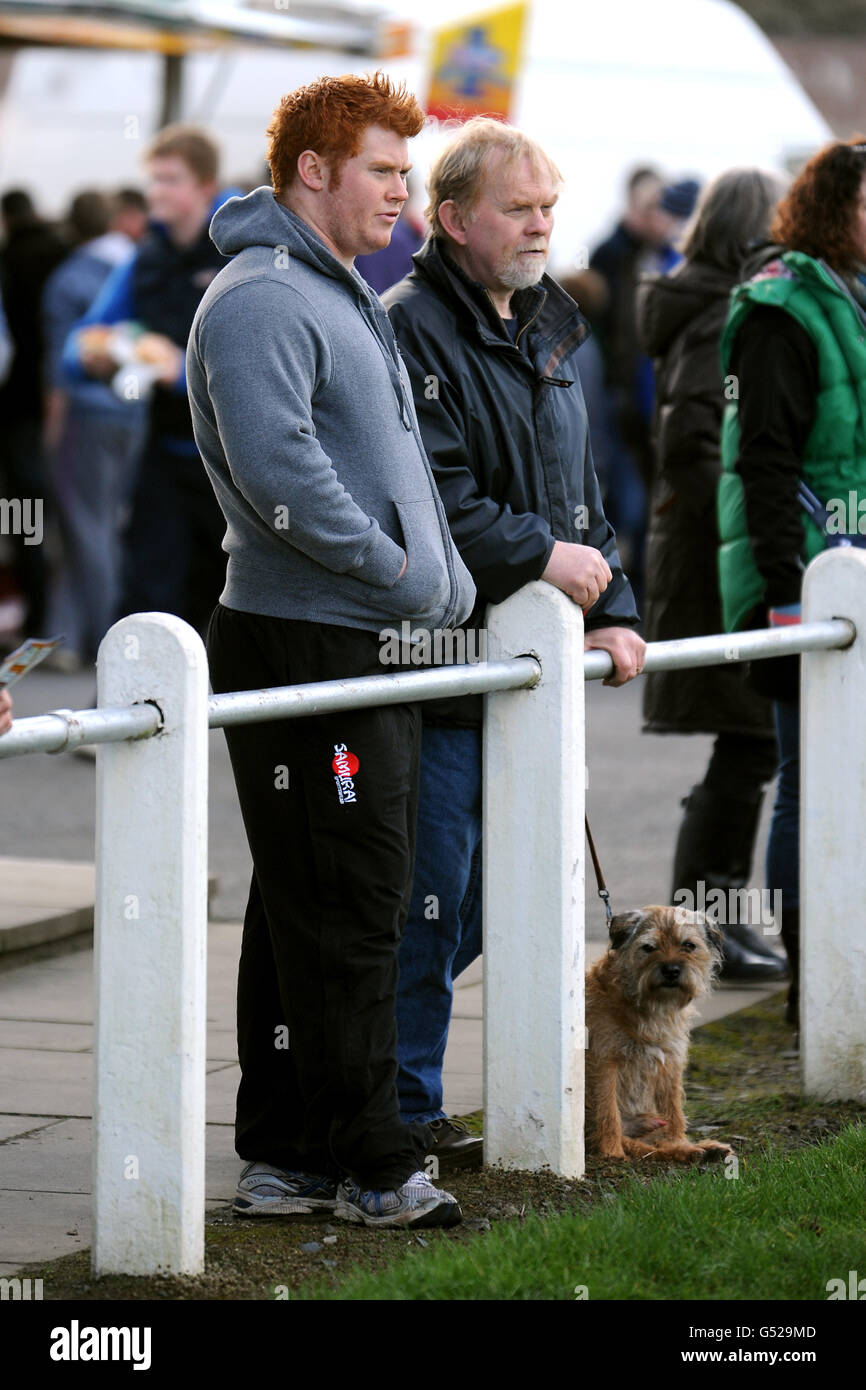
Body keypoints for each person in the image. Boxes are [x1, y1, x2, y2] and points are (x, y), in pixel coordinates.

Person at [187, 73, 476, 1228]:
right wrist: (407, 574)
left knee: (310, 897)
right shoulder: (262, 297)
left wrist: (428, 578)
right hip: (310, 640)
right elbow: (281, 474)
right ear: (314, 170)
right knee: (352, 898)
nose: (402, 194)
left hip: (352, 637)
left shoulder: (335, 289)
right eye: (384, 170)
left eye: (407, 173)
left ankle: (291, 1154)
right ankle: (367, 1162)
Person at [384, 117, 645, 1164]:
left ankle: (374, 1071)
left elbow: (579, 495)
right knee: (431, 903)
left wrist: (615, 599)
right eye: (517, 207)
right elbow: (432, 499)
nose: (541, 223)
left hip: (538, 673)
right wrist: (544, 558)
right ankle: (400, 1108)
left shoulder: (553, 322)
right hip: (439, 666)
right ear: (452, 220)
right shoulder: (406, 329)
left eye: (548, 205)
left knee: (509, 894)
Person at [717, 136, 866, 1026]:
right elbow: (763, 464)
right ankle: (815, 987)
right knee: (810, 779)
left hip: (855, 578)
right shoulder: (780, 310)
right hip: (808, 584)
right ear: (835, 206)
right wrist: (783, 593)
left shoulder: (852, 300)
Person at [636, 169, 789, 983]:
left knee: (749, 744)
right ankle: (712, 922)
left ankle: (716, 923)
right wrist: (747, 528)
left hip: (705, 558)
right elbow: (695, 444)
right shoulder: (723, 311)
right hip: (715, 568)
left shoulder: (706, 302)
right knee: (750, 743)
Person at [62, 127, 236, 638]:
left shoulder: (241, 254)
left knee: (224, 611)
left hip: (231, 470)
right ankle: (126, 713)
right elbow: (78, 347)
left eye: (170, 180)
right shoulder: (145, 258)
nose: (156, 191)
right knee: (146, 601)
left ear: (205, 186)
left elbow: (261, 367)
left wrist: (181, 371)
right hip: (162, 455)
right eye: (153, 179)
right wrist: (96, 354)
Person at [42, 190, 146, 666]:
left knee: (86, 526)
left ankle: (107, 637)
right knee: (102, 524)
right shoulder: (138, 266)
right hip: (133, 410)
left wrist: (52, 427)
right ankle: (64, 634)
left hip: (87, 414)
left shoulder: (69, 278)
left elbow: (62, 364)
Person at [0, 190, 68, 637]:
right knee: (39, 513)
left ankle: (33, 605)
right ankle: (42, 610)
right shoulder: (63, 253)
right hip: (50, 405)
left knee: (19, 510)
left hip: (15, 411)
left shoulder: (11, 260)